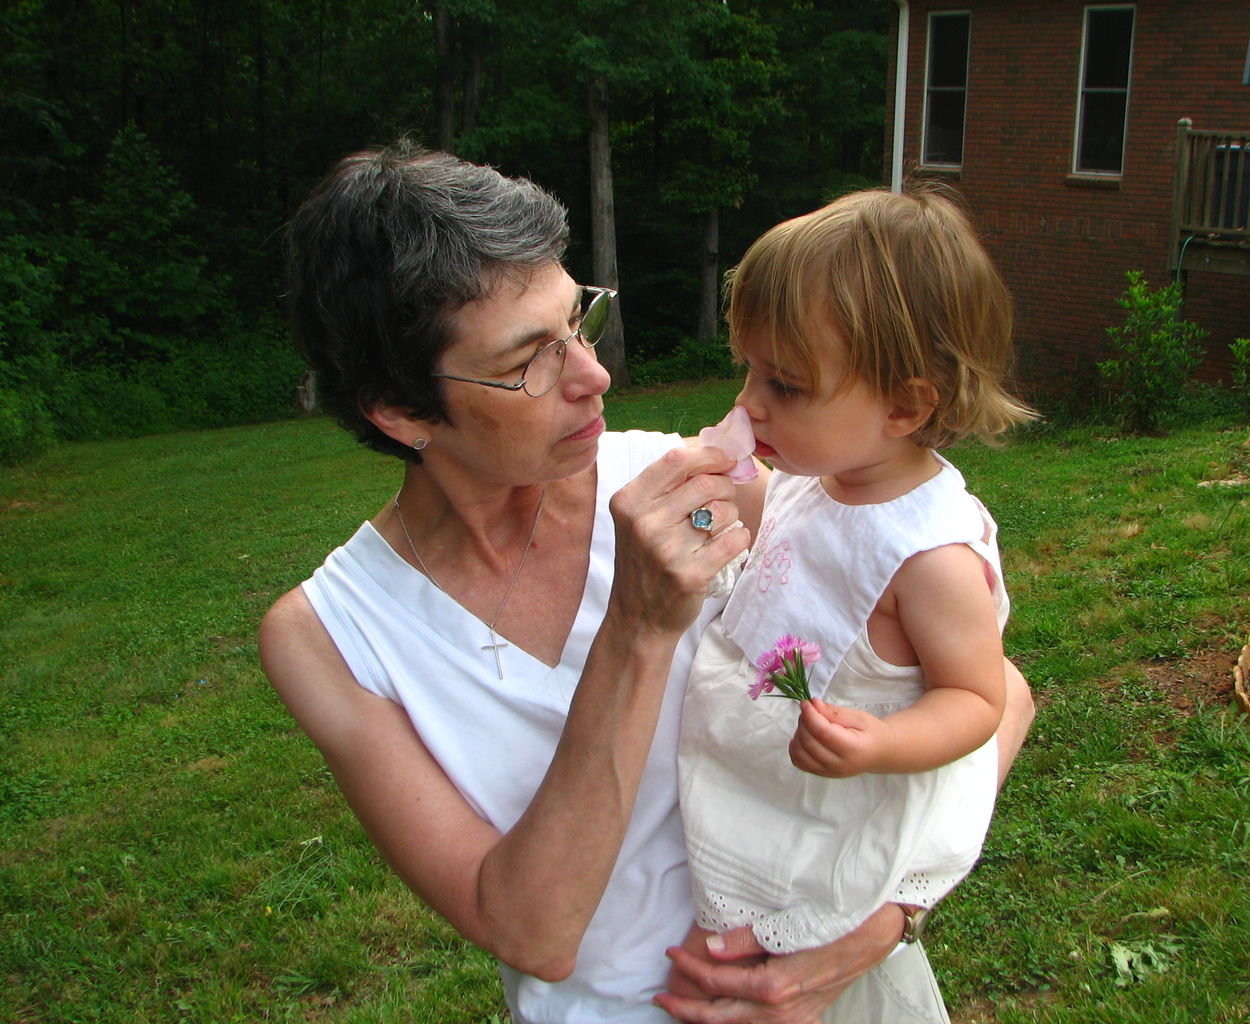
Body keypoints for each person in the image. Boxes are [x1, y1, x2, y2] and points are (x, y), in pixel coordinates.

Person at [259, 142, 1035, 1024]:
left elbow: (996, 695)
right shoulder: (329, 639)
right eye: (527, 362)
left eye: (576, 325)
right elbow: (531, 928)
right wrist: (637, 624)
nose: (595, 377)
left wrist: (874, 927)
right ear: (400, 412)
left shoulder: (702, 485)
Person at [674, 187, 1038, 1022]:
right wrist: (711, 504)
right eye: (750, 370)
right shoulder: (817, 476)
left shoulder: (928, 556)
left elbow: (978, 697)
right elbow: (778, 547)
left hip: (825, 825)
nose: (750, 403)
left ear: (905, 406)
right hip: (755, 792)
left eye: (786, 385)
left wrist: (885, 739)